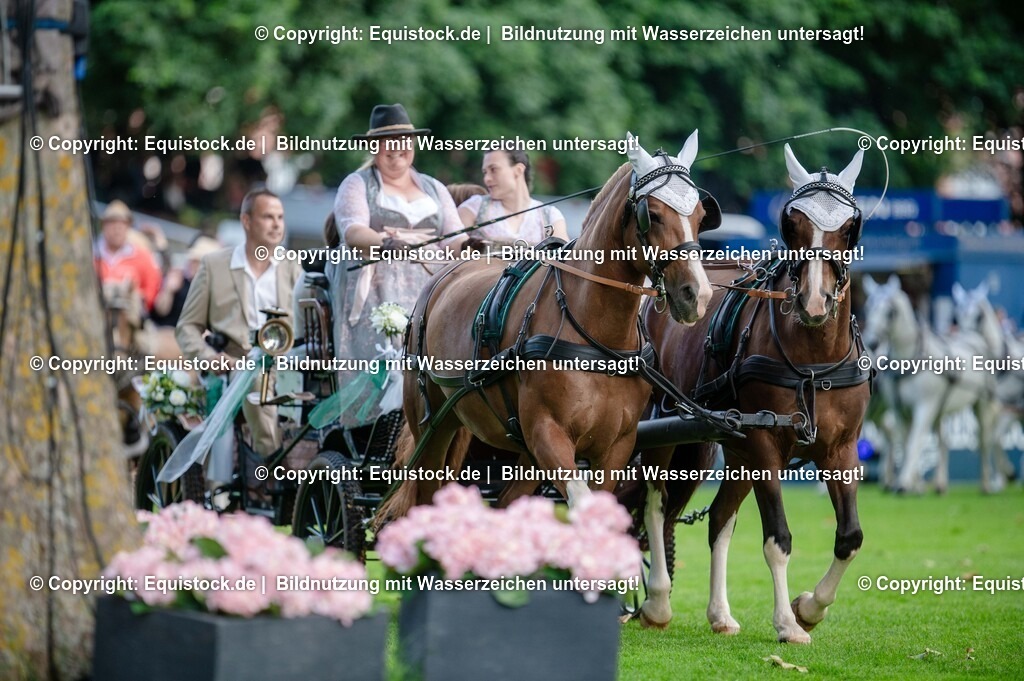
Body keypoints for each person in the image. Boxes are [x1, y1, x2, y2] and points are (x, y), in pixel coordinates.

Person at [328, 103, 461, 426]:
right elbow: (353, 230)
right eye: (387, 142)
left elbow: (454, 236)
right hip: (378, 290)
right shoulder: (357, 184)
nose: (396, 150)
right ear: (374, 147)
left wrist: (470, 245)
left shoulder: (434, 188)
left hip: (430, 288)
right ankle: (376, 426)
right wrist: (386, 242)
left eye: (403, 140)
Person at [175, 189, 303, 459]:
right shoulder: (214, 266)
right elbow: (187, 326)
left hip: (291, 365)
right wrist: (210, 357)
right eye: (268, 217)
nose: (277, 224)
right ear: (246, 221)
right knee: (256, 381)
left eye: (280, 217)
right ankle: (274, 466)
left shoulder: (293, 266)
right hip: (237, 367)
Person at [456, 149, 569, 249]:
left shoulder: (550, 216)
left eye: (493, 169)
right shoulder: (473, 208)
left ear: (518, 170)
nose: (487, 179)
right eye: (485, 172)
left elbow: (565, 263)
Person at [94, 200, 163, 314]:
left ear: (128, 227)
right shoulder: (92, 253)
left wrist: (136, 296)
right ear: (104, 226)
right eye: (112, 223)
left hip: (129, 318)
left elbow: (151, 292)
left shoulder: (143, 256)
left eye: (121, 224)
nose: (117, 229)